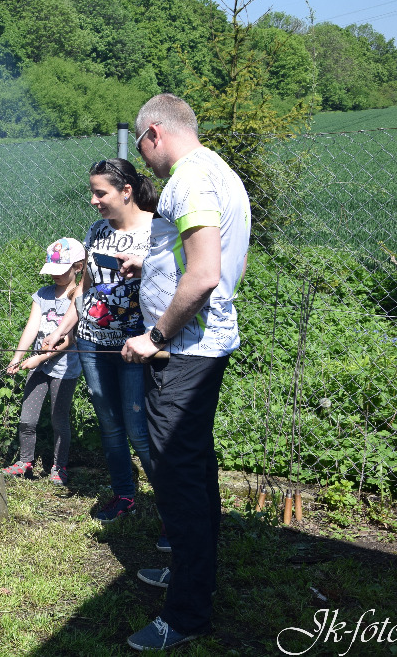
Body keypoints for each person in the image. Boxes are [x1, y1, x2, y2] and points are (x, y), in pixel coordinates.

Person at [120, 94, 250, 651]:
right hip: (197, 348)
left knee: (179, 481)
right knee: (195, 471)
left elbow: (201, 276)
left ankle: (188, 614)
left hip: (185, 352)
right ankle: (190, 572)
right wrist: (147, 261)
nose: (145, 159)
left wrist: (154, 337)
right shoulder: (216, 168)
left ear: (154, 132)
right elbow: (195, 251)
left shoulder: (188, 179)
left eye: (143, 146)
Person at [43, 159, 163, 530]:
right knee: (110, 425)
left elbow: (169, 285)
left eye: (101, 192)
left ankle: (168, 503)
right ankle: (124, 494)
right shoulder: (96, 230)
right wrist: (66, 328)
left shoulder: (158, 230)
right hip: (93, 344)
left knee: (139, 428)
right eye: (92, 192)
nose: (93, 200)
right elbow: (87, 288)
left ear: (126, 191)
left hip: (133, 347)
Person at [2, 238, 85, 485]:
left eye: (61, 271)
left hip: (64, 370)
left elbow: (69, 340)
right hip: (38, 367)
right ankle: (24, 462)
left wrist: (38, 358)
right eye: (52, 271)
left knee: (59, 420)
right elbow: (31, 328)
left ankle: (59, 467)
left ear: (78, 267)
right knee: (27, 418)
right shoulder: (42, 295)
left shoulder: (78, 297)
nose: (55, 277)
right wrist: (18, 357)